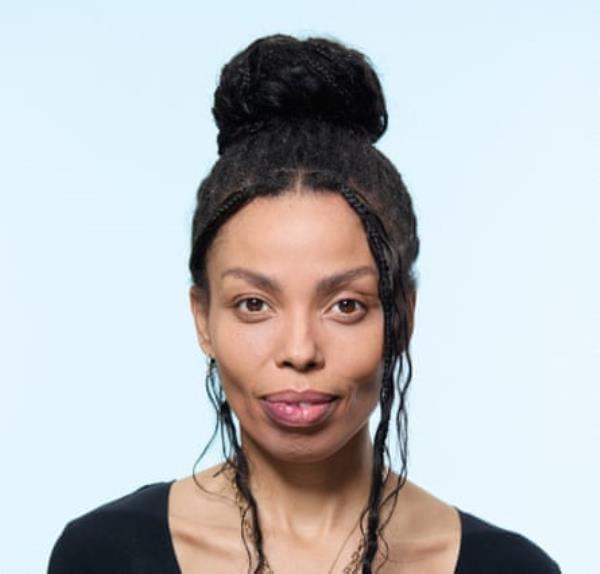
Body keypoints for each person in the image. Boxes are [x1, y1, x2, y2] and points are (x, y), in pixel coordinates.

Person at [48, 34, 561, 574]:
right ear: (203, 318)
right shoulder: (106, 555)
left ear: (402, 317)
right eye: (253, 304)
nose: (299, 351)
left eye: (345, 305)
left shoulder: (507, 567)